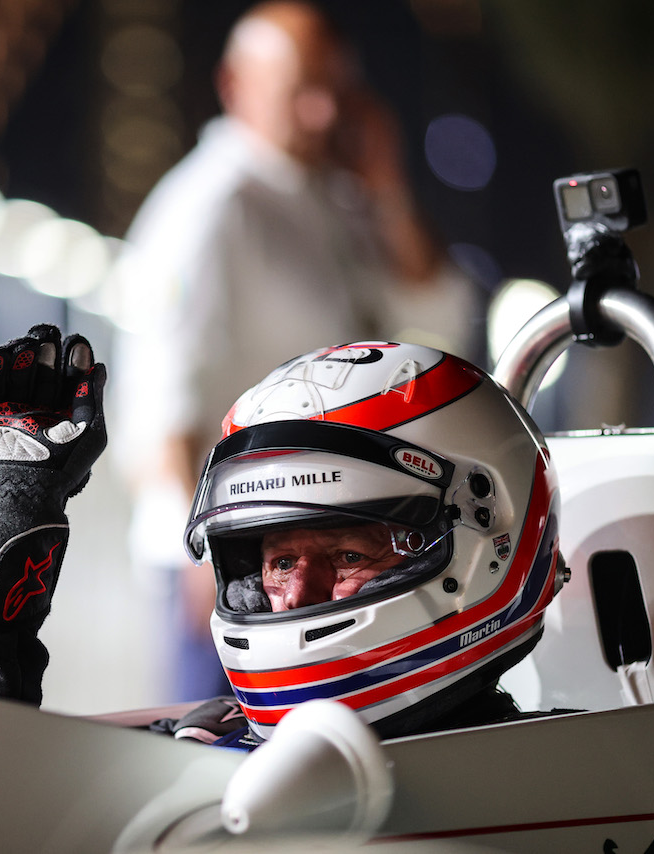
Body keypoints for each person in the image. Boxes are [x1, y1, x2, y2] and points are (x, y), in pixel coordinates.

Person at [0, 326, 568, 748]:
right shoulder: (202, 752)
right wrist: (5, 520)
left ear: (489, 537)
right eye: (278, 560)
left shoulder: (589, 782)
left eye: (348, 554)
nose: (295, 597)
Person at [108, 0, 479, 702]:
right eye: (300, 90)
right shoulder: (206, 208)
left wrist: (389, 184)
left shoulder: (330, 198)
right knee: (227, 779)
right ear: (234, 84)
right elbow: (160, 406)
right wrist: (207, 567)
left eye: (334, 92)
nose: (320, 113)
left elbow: (439, 318)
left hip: (327, 555)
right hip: (240, 570)